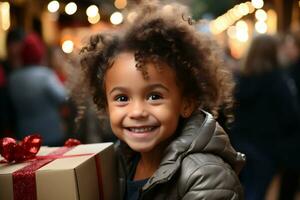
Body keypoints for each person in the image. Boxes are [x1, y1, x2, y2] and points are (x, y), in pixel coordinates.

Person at [72, 1, 245, 199]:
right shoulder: (118, 161)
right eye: (122, 98)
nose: (137, 112)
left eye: (154, 96)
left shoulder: (208, 176)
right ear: (105, 104)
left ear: (186, 103)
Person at [231, 34, 300, 200]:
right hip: (267, 149)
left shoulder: (238, 81)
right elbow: (290, 117)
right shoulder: (279, 82)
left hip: (238, 144)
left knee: (240, 189)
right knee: (256, 191)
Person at [8, 33, 67, 146]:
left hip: (24, 134)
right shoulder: (45, 74)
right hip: (50, 132)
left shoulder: (12, 78)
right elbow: (62, 97)